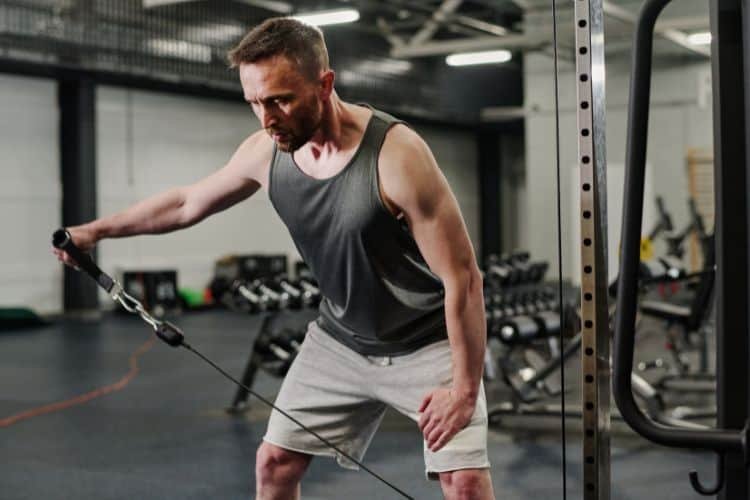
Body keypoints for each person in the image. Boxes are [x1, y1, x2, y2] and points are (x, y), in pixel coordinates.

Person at [53, 17, 494, 500]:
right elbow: (186, 203)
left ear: (325, 84)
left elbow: (464, 280)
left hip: (426, 343)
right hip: (341, 341)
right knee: (275, 463)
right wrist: (94, 232)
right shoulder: (266, 151)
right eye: (255, 103)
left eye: (280, 100)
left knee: (465, 483)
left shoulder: (398, 156)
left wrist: (465, 390)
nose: (267, 119)